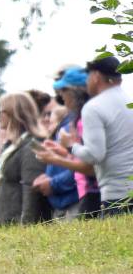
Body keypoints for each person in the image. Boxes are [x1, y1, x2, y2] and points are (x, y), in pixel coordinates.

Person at [49, 57, 133, 216]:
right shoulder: (130, 101)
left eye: (88, 76)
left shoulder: (93, 107)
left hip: (115, 194)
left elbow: (95, 155)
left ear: (95, 76)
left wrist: (70, 146)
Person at [34, 68, 100, 217]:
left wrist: (55, 159)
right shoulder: (78, 119)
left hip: (91, 194)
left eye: (63, 90)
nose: (60, 96)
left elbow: (92, 165)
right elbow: (83, 156)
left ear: (75, 92)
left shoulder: (85, 119)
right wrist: (62, 152)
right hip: (85, 194)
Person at [0, 92, 51, 225]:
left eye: (0, 111)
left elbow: (31, 188)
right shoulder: (12, 145)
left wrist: (26, 226)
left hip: (21, 225)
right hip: (6, 221)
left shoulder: (31, 145)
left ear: (12, 112)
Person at [31, 68, 83, 220]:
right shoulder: (67, 124)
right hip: (63, 206)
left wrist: (53, 184)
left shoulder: (73, 124)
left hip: (74, 204)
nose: (58, 91)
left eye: (62, 88)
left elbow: (83, 165)